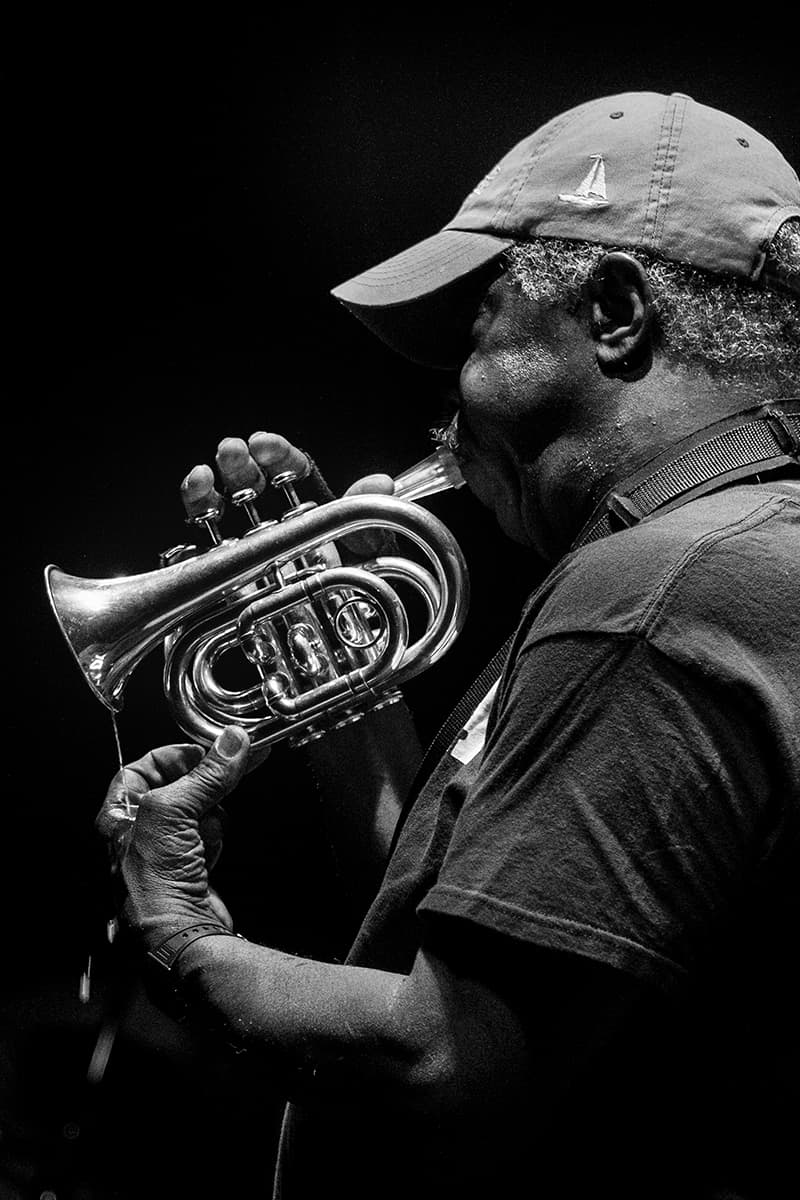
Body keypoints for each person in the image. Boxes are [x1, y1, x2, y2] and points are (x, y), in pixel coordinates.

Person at [97, 92, 799, 1199]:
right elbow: (504, 951)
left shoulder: (652, 593)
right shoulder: (705, 561)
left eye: (478, 321)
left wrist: (175, 931)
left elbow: (446, 1061)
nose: (451, 392)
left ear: (615, 311)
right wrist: (335, 689)